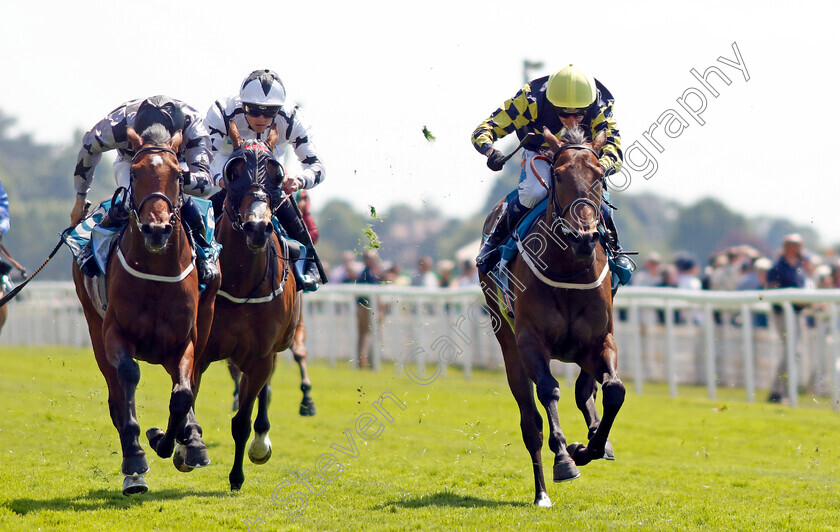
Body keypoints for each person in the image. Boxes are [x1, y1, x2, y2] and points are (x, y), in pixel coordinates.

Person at [472, 64, 633, 283]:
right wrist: (490, 151)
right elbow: (485, 129)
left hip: (580, 159)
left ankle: (615, 249)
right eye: (564, 114)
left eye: (579, 115)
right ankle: (494, 242)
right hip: (540, 153)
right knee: (533, 192)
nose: (571, 121)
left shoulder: (600, 104)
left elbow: (614, 147)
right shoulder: (530, 99)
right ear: (550, 103)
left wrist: (598, 168)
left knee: (598, 198)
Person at [70, 95, 219, 283]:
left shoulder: (193, 127)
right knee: (127, 200)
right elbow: (89, 148)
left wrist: (172, 177)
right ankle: (92, 249)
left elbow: (205, 184)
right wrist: (80, 198)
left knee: (183, 201)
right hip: (132, 161)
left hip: (173, 164)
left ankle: (205, 254)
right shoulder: (119, 124)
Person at [205, 69, 326, 291]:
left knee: (284, 202)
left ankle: (311, 266)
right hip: (228, 165)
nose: (261, 118)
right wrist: (220, 180)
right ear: (242, 105)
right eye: (254, 110)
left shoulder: (293, 118)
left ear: (279, 109)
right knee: (198, 208)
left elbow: (317, 167)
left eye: (270, 112)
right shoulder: (221, 111)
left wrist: (298, 180)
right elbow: (203, 159)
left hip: (269, 168)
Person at [766, 233, 807, 404]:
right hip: (782, 313)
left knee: (793, 352)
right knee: (791, 351)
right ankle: (778, 390)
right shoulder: (777, 267)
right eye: (795, 245)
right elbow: (771, 290)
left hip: (796, 313)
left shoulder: (798, 266)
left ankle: (781, 390)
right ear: (788, 247)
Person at [355, 249, 383, 368]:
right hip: (367, 308)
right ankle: (367, 361)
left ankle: (363, 361)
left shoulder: (364, 273)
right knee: (369, 334)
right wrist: (381, 309)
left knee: (363, 335)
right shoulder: (369, 274)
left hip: (363, 307)